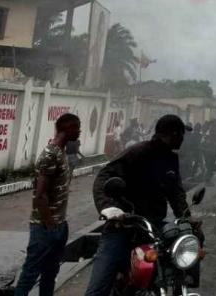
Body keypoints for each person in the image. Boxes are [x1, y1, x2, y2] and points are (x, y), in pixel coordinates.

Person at [84, 115, 194, 296]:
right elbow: (104, 176)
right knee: (98, 288)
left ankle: (181, 283)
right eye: (180, 134)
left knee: (186, 243)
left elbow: (176, 194)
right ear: (169, 135)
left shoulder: (171, 159)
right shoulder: (137, 152)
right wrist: (110, 209)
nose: (183, 139)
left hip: (153, 227)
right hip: (124, 226)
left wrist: (186, 217)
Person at [14, 113, 81, 296]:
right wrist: (50, 225)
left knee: (50, 274)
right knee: (29, 275)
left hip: (58, 225)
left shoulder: (61, 153)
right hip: (44, 228)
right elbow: (40, 195)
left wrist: (59, 226)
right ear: (66, 129)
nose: (79, 131)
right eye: (76, 127)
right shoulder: (50, 154)